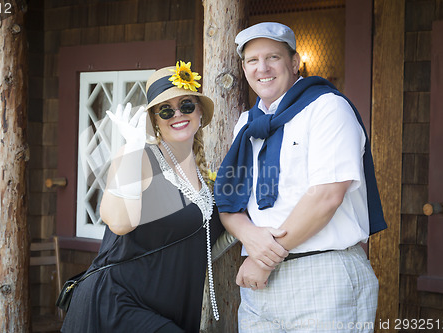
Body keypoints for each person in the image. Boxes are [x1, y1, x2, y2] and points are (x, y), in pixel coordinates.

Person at [214, 22, 387, 332]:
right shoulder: (246, 125)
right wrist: (250, 237)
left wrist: (264, 258)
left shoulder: (328, 108)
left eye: (273, 58)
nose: (262, 68)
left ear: (294, 63)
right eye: (252, 61)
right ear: (243, 68)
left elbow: (326, 196)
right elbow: (231, 200)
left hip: (322, 276)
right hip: (258, 287)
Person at [61, 61, 224, 333]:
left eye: (185, 105)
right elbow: (119, 222)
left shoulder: (207, 177)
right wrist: (133, 149)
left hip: (169, 309)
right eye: (165, 110)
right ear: (154, 120)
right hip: (118, 305)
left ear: (198, 111)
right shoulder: (139, 157)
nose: (177, 114)